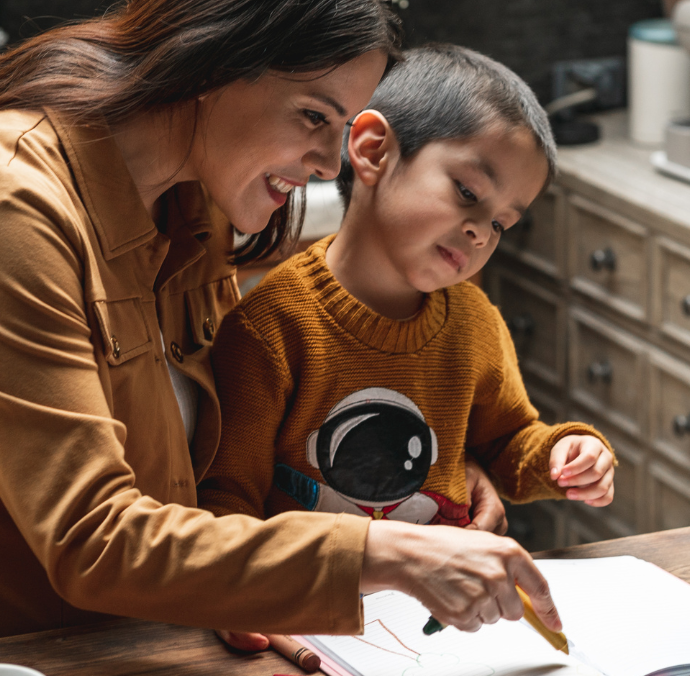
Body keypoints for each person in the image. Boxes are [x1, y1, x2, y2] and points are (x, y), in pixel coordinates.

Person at [0, 0, 562, 669]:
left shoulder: (190, 203)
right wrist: (385, 550)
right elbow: (95, 539)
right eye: (311, 116)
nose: (330, 163)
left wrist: (430, 475)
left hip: (125, 649)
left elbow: (215, 460)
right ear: (210, 60)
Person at [199, 45, 617, 647]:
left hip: (441, 629)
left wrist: (566, 453)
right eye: (469, 193)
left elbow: (507, 442)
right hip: (307, 626)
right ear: (373, 151)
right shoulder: (271, 327)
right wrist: (242, 601)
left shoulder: (474, 321)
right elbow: (225, 502)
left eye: (502, 223)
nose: (480, 232)